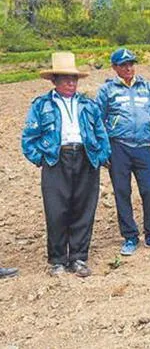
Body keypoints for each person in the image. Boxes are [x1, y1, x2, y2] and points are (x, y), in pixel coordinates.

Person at [21, 52, 111, 277]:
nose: (71, 83)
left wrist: (100, 157)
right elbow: (29, 138)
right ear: (54, 81)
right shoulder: (41, 105)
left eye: (74, 79)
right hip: (56, 159)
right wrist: (40, 159)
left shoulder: (88, 105)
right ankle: (58, 260)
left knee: (84, 208)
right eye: (65, 79)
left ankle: (79, 258)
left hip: (85, 157)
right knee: (56, 210)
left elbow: (101, 133)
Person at [96, 48, 150, 256]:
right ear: (114, 67)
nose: (128, 68)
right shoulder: (107, 91)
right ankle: (129, 236)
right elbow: (97, 122)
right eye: (123, 65)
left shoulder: (148, 87)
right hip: (118, 147)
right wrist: (104, 149)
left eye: (131, 64)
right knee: (122, 192)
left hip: (145, 147)